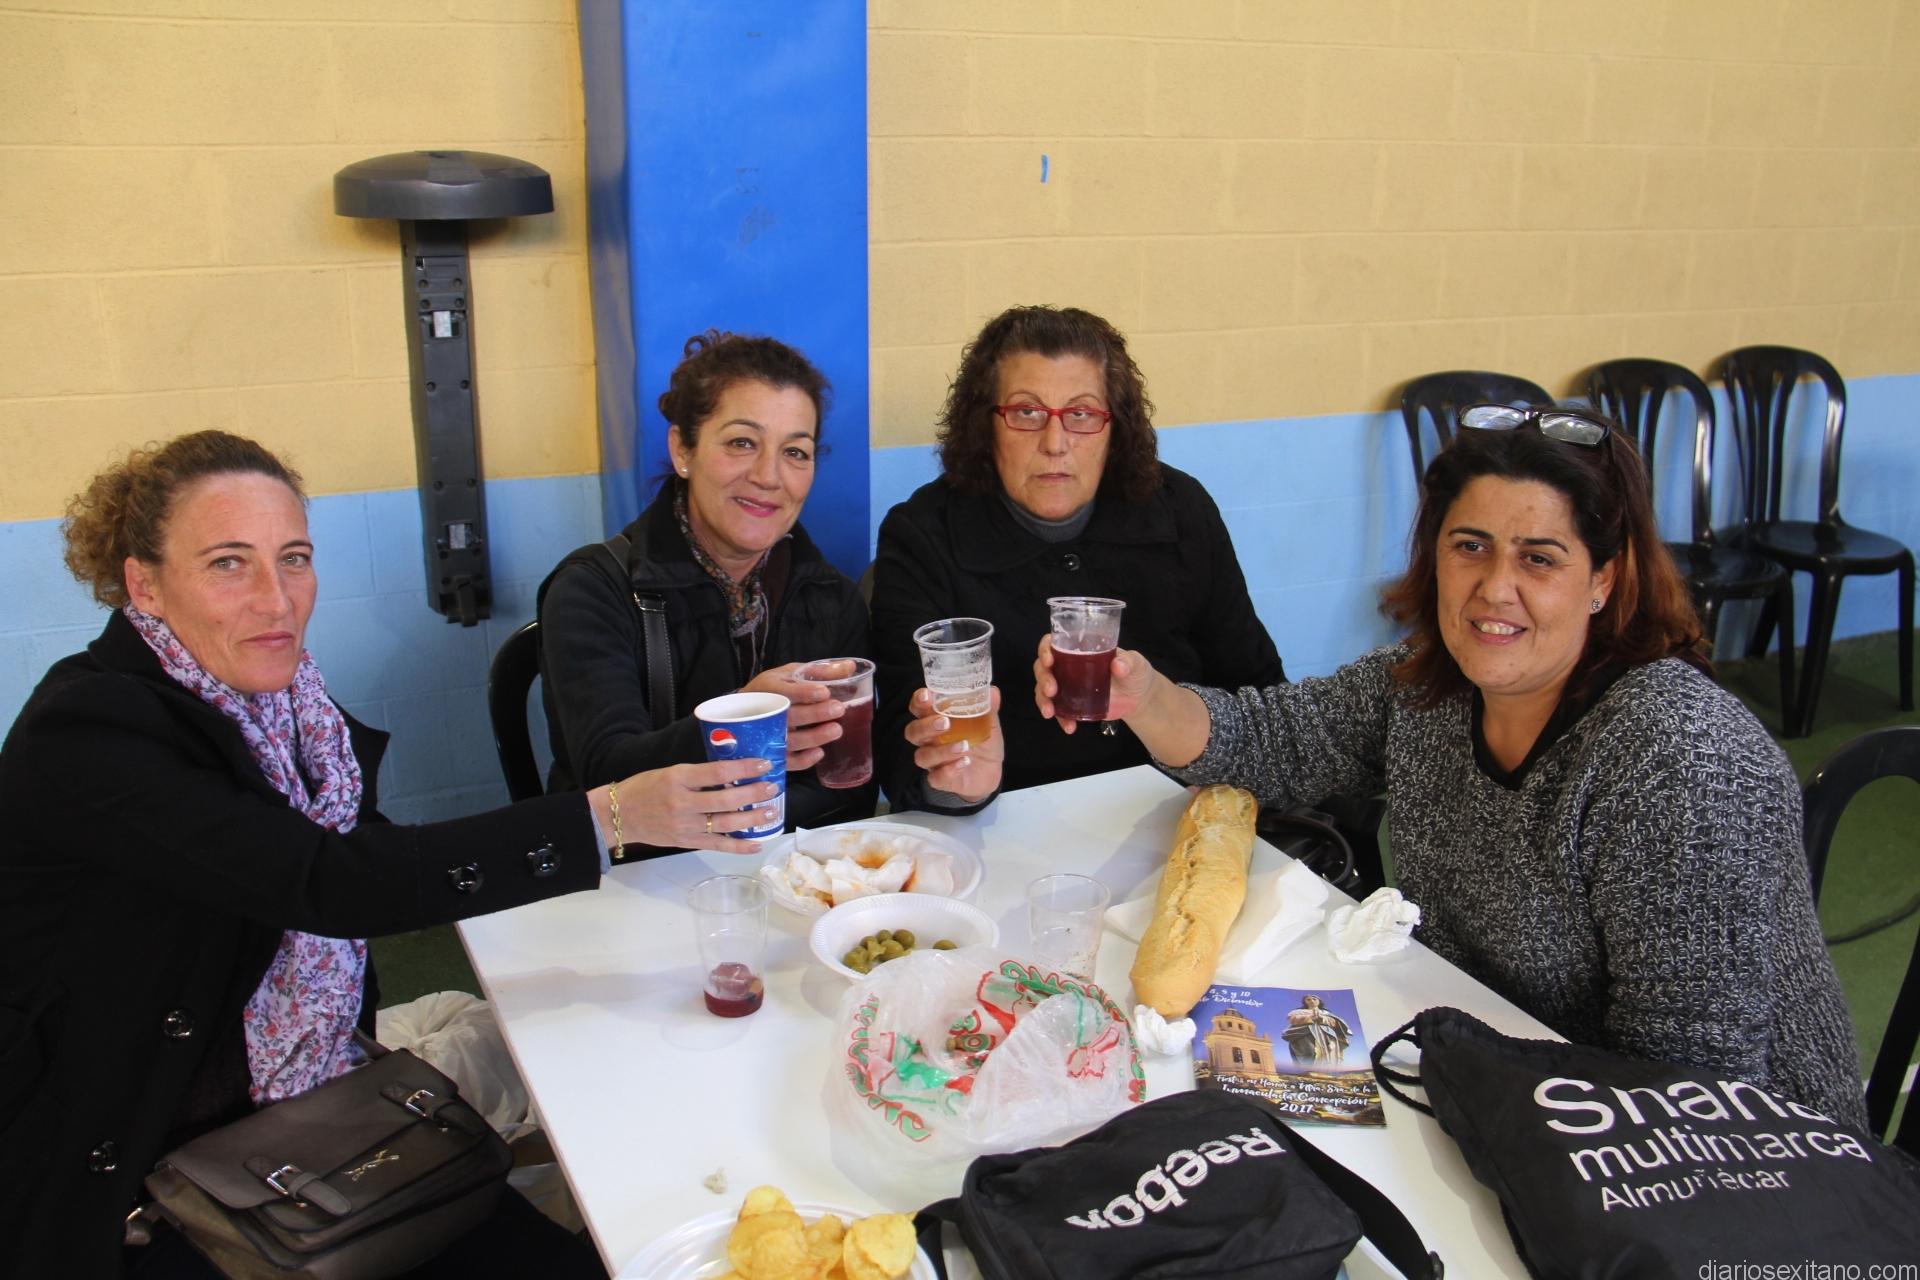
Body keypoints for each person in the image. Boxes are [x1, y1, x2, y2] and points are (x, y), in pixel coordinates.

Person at [0, 431, 783, 1278]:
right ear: (144, 584)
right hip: (146, 1178)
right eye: (228, 564)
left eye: (294, 559)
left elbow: (375, 855)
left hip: (315, 1113)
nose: (275, 599)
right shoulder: (89, 733)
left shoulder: (286, 710)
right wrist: (606, 817)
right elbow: (327, 881)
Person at [1044, 405, 1867, 1125]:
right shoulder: (1426, 686)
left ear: (1603, 579)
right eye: (1470, 546)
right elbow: (1276, 740)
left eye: (1539, 558)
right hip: (1498, 1064)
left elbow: (1688, 1085)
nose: (1494, 589)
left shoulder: (1678, 759)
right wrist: (1142, 695)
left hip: (1733, 1163)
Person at [870, 305, 1283, 814]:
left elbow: (1258, 690)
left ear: (1114, 428)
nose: (1055, 443)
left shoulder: (1181, 509)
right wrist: (959, 782)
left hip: (1178, 810)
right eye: (1026, 412)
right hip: (1006, 823)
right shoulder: (922, 534)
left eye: (1082, 414)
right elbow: (902, 747)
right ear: (985, 425)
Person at [538, 330, 875, 841]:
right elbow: (606, 776)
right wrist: (743, 721)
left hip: (790, 872)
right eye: (742, 443)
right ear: (682, 449)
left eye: (795, 452)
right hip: (638, 875)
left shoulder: (831, 599)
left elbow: (848, 786)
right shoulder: (592, 591)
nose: (769, 476)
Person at [1282, 994, 1353, 1064]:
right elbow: (1293, 1019)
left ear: (1319, 1001)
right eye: (1308, 999)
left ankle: (1324, 1069)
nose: (1312, 1001)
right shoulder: (1298, 1012)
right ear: (1305, 1002)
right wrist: (1310, 1018)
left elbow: (1334, 1022)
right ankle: (1307, 1068)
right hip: (1305, 1033)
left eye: (1314, 999)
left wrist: (1322, 1019)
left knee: (1328, 1052)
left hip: (1325, 1034)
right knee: (1309, 1051)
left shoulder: (1325, 1013)